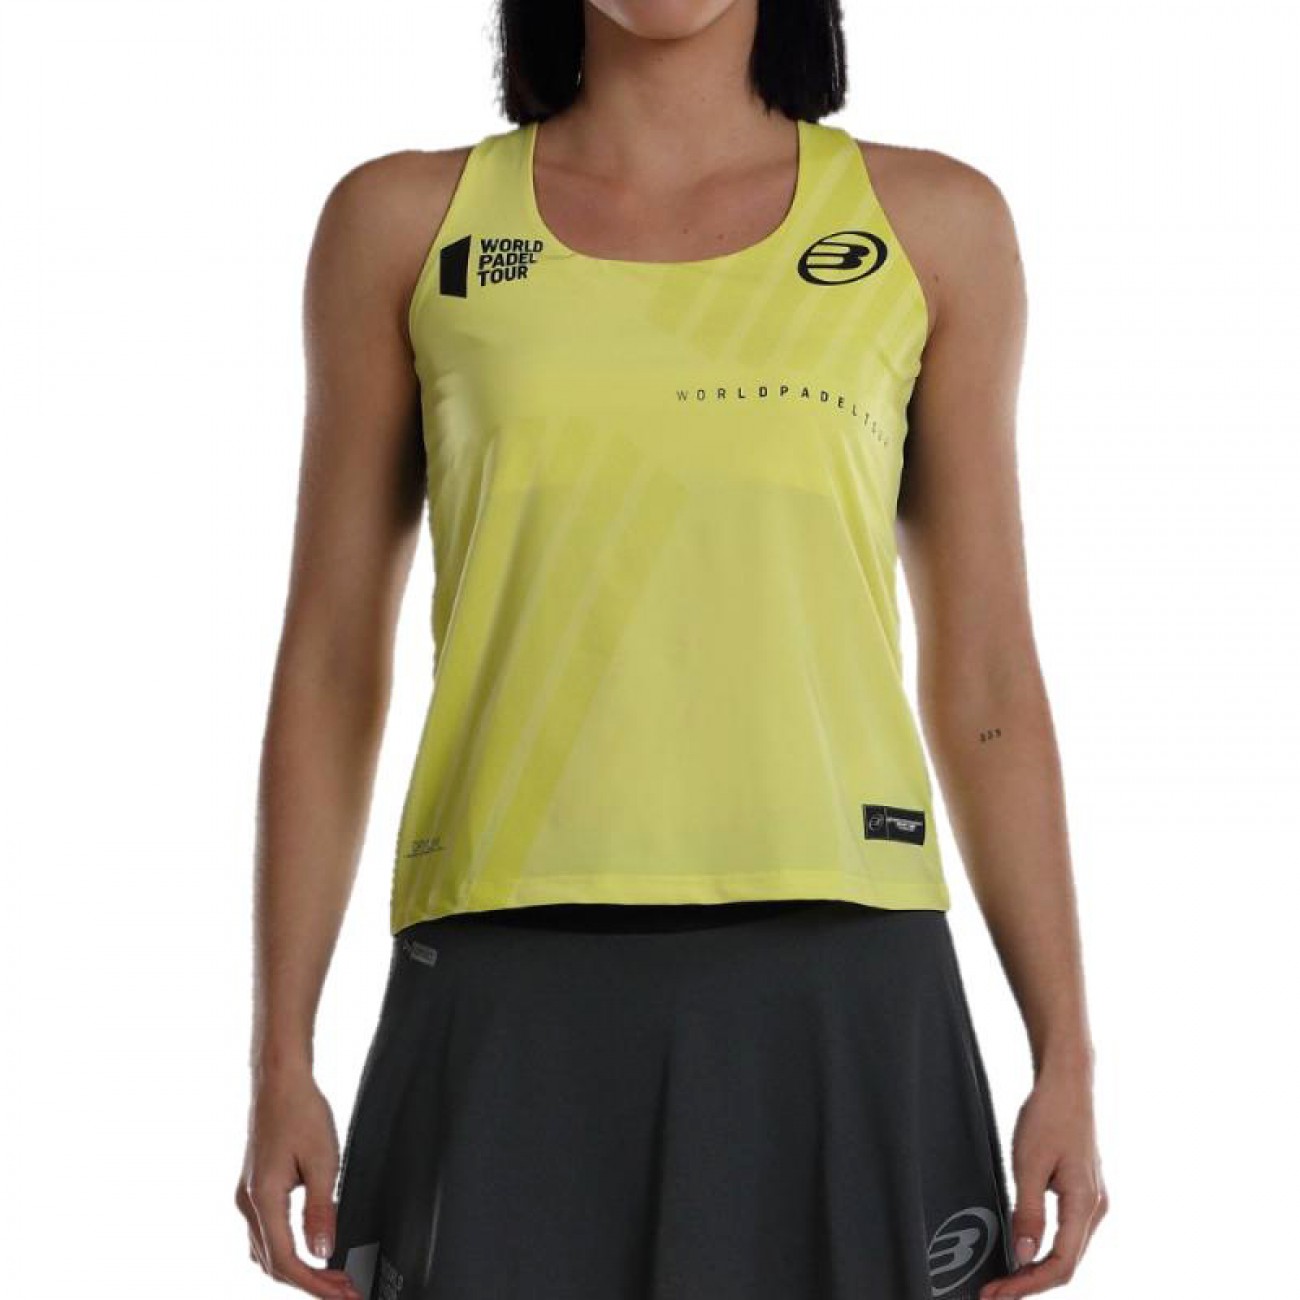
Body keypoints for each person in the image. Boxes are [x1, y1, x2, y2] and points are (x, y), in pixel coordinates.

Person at [235, 2, 1108, 1297]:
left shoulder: (933, 227)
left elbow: (986, 676)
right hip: (505, 972)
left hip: (842, 977)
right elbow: (328, 668)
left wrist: (1066, 1057)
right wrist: (280, 1058)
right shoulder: (402, 224)